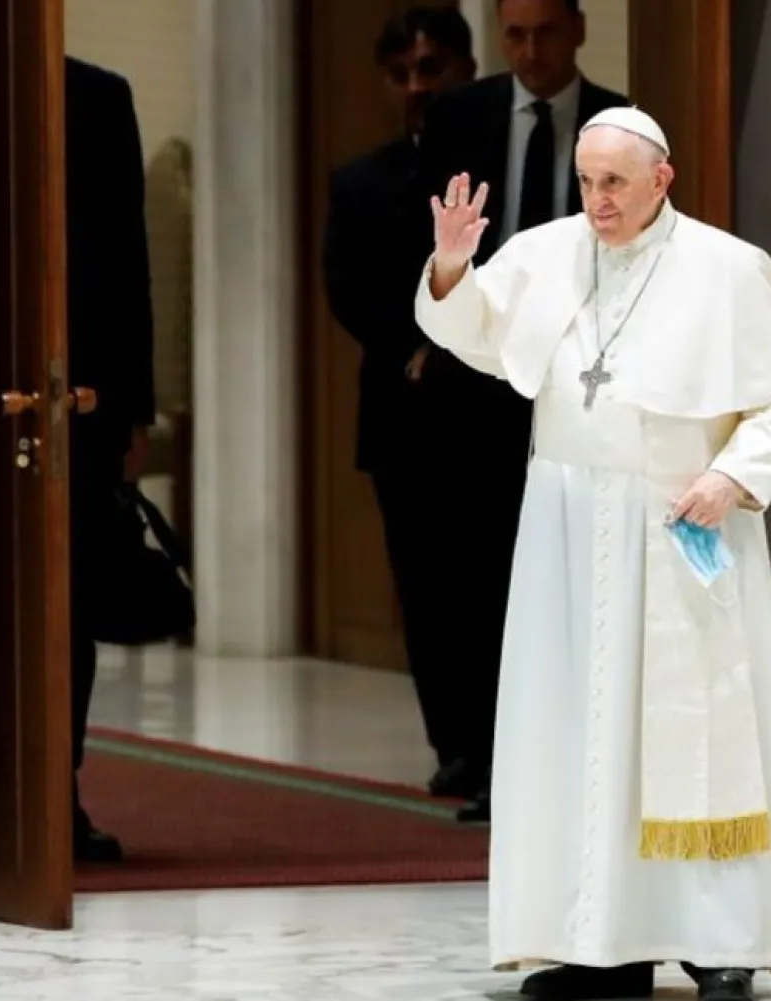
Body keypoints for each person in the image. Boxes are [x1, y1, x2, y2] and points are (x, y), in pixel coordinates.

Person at [413, 108, 771, 1001]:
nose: (596, 200)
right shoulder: (548, 253)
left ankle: (720, 943)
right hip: (565, 530)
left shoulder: (727, 269)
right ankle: (598, 946)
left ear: (661, 179)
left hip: (677, 526)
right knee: (575, 733)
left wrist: (728, 476)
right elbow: (474, 330)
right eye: (586, 180)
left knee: (694, 737)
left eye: (614, 183)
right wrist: (451, 264)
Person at [419, 0, 630, 824]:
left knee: (570, 582)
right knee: (476, 581)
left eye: (546, 31)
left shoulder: (619, 123)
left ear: (578, 29)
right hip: (476, 384)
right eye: (515, 34)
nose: (532, 49)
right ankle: (485, 759)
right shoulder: (458, 118)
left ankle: (581, 759)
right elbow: (428, 244)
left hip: (588, 387)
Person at [321, 7, 481, 799]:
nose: (418, 87)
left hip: (487, 410)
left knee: (489, 583)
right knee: (423, 588)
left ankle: (500, 743)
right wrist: (414, 346)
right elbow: (348, 288)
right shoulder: (361, 180)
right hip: (402, 411)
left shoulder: (492, 162)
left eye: (432, 69)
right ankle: (453, 743)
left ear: (466, 69)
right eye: (403, 73)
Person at [65, 56, 156, 864]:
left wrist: (135, 407)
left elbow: (129, 261)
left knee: (69, 610)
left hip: (80, 403)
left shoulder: (96, 97)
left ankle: (54, 790)